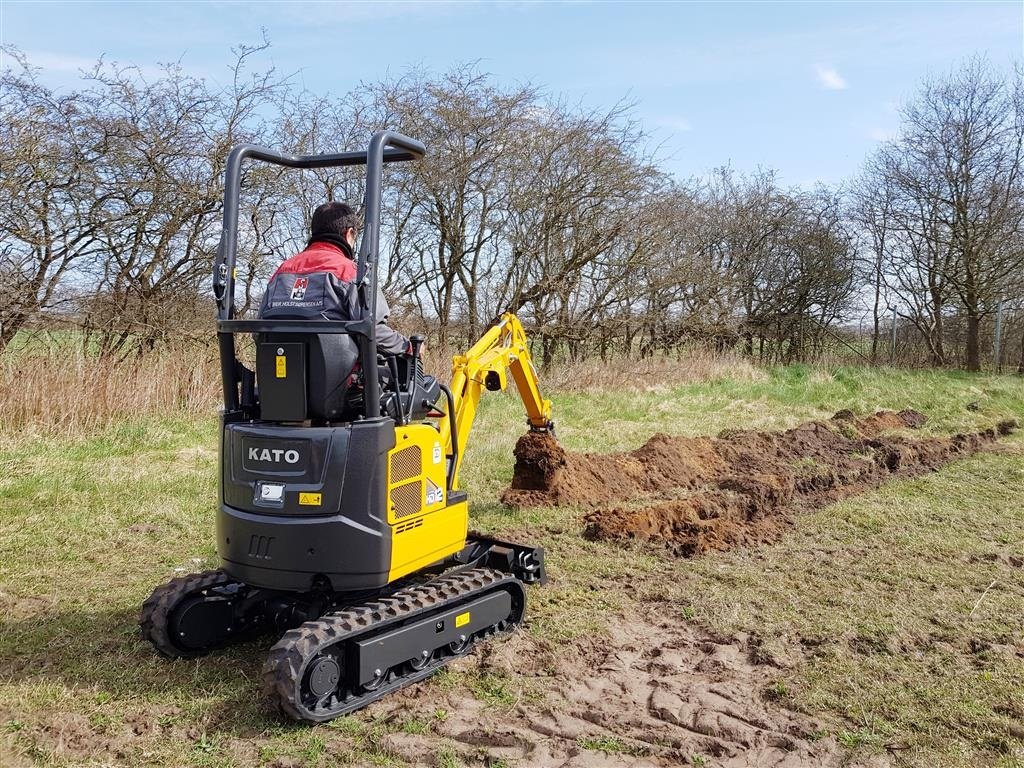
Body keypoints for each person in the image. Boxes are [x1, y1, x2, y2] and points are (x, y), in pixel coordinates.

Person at [259, 201, 411, 356]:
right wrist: (407, 346)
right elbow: (375, 331)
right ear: (349, 233)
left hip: (278, 372)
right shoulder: (351, 273)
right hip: (339, 377)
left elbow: (258, 331)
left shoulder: (280, 273)